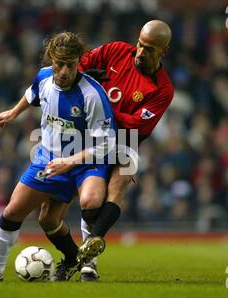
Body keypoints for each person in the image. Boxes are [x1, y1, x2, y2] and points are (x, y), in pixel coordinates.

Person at [0, 31, 116, 282]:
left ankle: (89, 266)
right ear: (51, 60)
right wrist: (14, 112)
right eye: (59, 64)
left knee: (91, 201)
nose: (64, 71)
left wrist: (69, 162)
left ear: (79, 62)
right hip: (49, 160)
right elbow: (32, 93)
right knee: (27, 215)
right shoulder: (44, 78)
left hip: (86, 163)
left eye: (71, 65)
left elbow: (108, 144)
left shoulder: (92, 95)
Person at [38, 20, 175, 281]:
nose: (140, 53)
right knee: (87, 206)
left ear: (163, 52)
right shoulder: (115, 51)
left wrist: (101, 106)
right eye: (140, 45)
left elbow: (139, 124)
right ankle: (84, 249)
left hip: (127, 141)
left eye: (149, 49)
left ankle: (90, 256)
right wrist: (84, 77)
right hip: (87, 137)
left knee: (121, 179)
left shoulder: (163, 89)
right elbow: (79, 63)